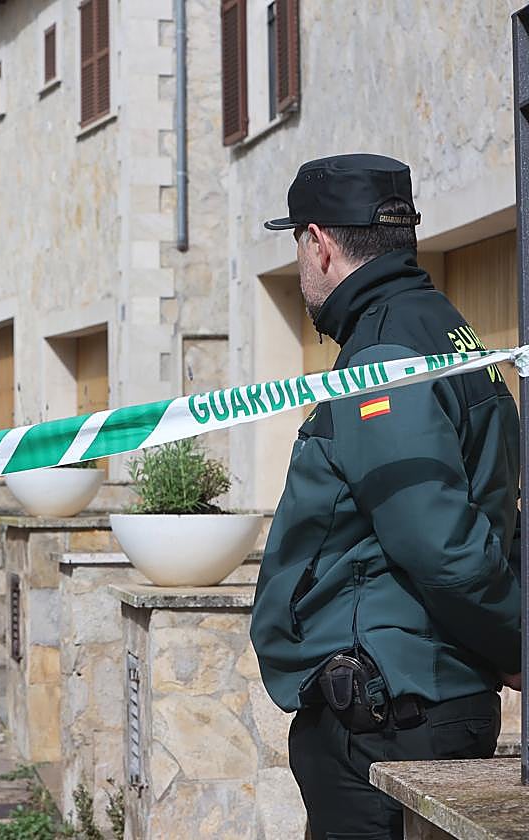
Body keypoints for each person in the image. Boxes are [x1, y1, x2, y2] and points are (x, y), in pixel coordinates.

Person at [249, 153, 522, 840]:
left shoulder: (382, 355)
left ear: (320, 243)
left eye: (300, 249)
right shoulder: (444, 329)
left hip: (389, 715)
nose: (302, 269)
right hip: (421, 699)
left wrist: (520, 646)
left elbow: (443, 545)